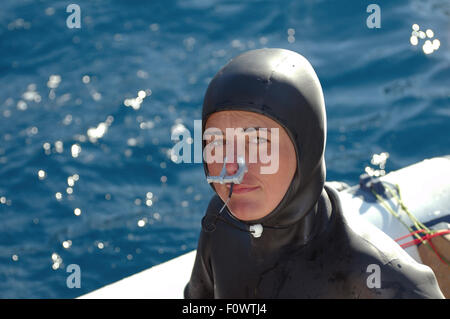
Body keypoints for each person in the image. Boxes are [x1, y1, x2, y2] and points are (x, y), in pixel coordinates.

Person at [184, 48, 444, 298]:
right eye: (217, 143)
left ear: (306, 147)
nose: (231, 167)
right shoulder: (221, 224)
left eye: (258, 142)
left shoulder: (375, 273)